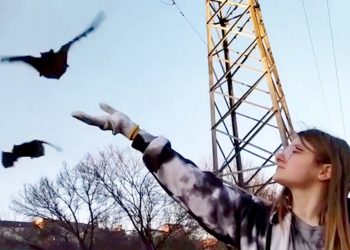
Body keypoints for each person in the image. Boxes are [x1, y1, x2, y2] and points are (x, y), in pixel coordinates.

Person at [72, 103, 350, 250]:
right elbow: (196, 186)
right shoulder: (256, 224)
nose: (281, 155)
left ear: (326, 171)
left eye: (296, 151)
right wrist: (133, 133)